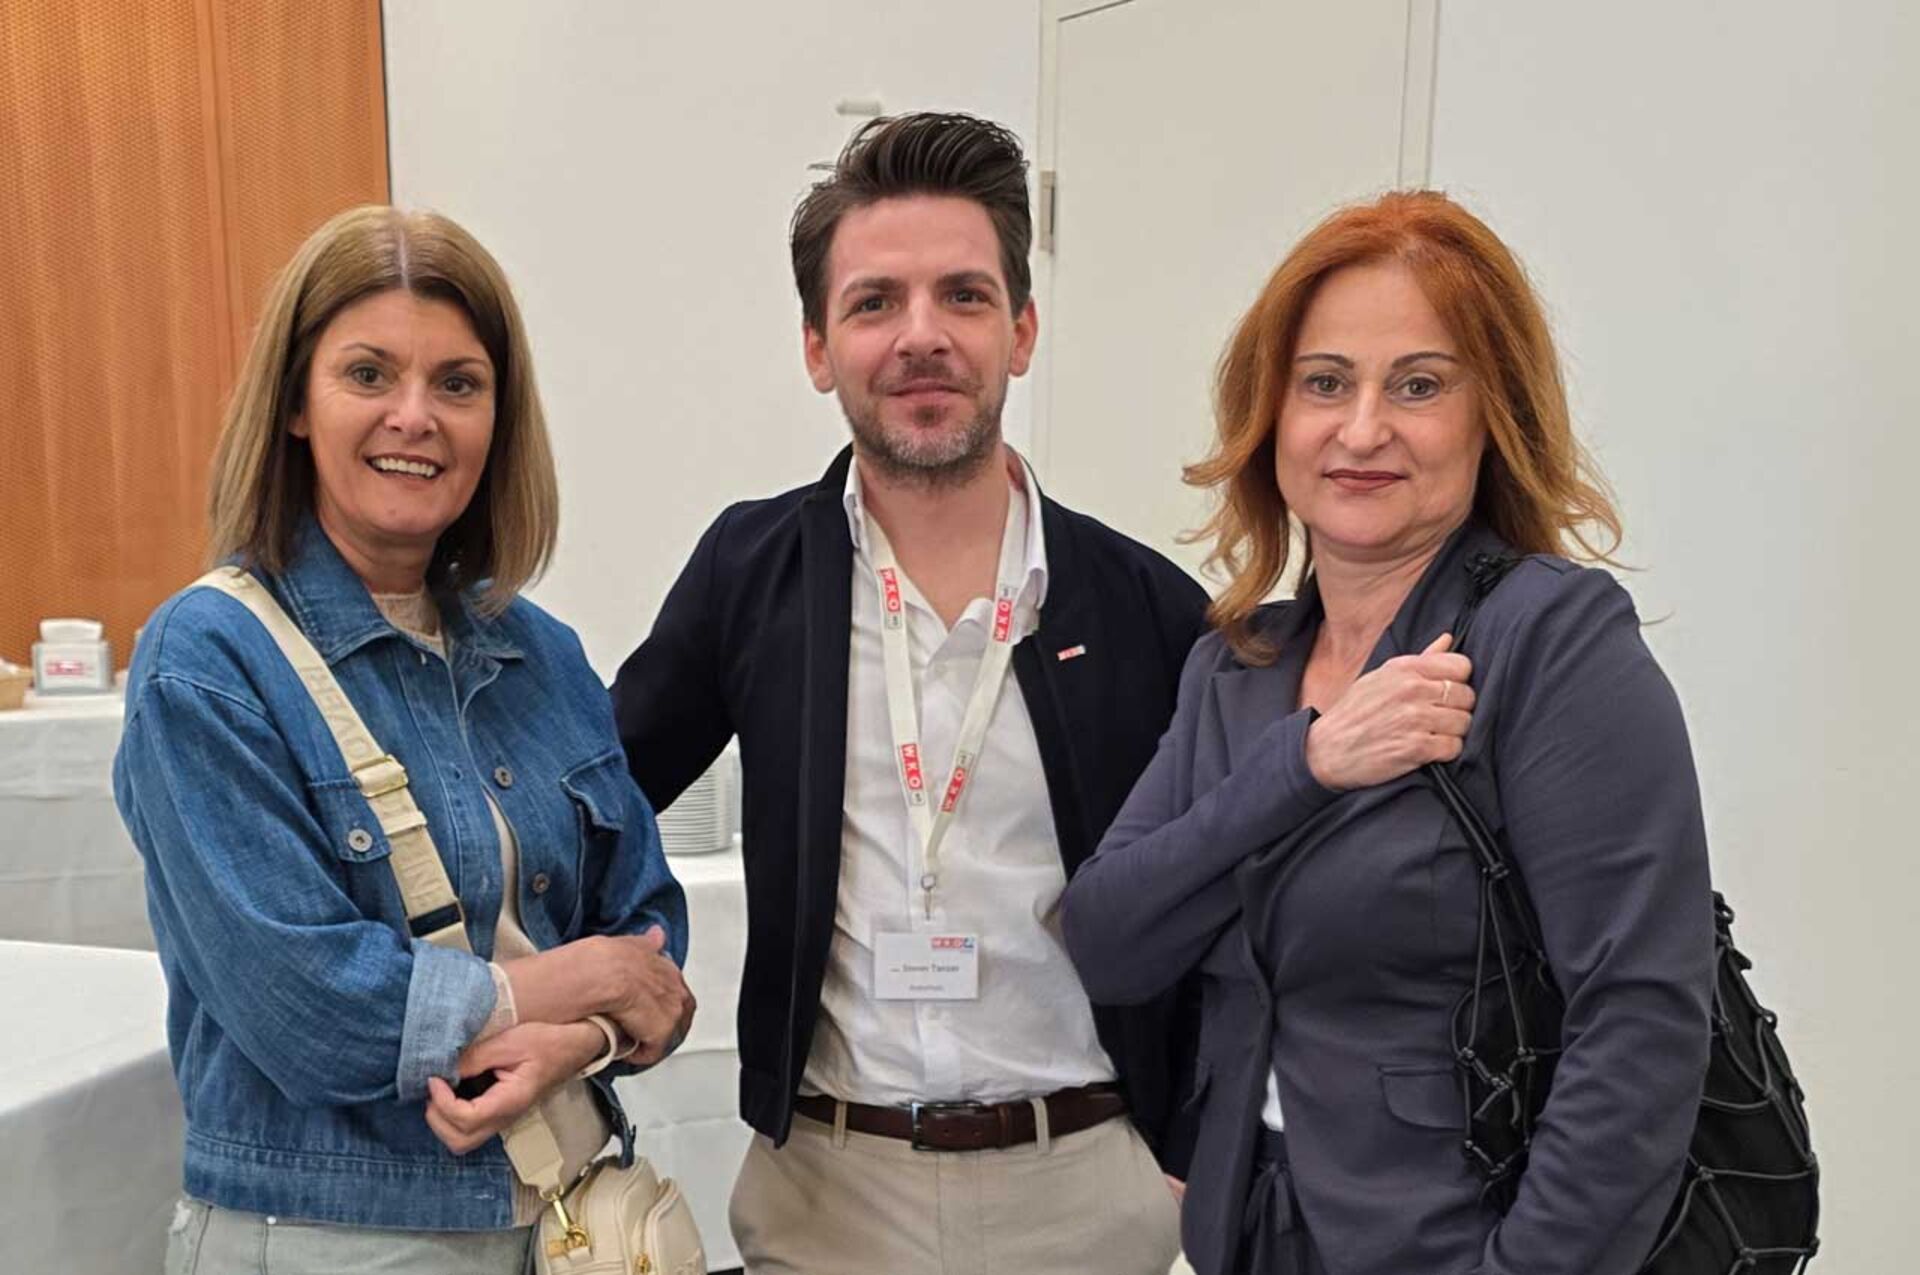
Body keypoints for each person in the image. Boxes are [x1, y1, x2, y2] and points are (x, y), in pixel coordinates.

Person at [1059, 191, 1716, 1275]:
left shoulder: (1548, 642)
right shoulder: (1238, 666)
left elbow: (1641, 1022)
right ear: (1272, 415)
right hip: (1248, 1234)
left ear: (1491, 414)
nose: (1362, 430)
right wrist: (1306, 764)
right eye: (1325, 383)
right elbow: (1109, 941)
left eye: (1419, 385)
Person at [611, 112, 1207, 1275]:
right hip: (830, 1193)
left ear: (1021, 332)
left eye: (964, 297)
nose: (920, 336)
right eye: (875, 302)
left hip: (1086, 1185)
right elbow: (596, 796)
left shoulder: (1146, 608)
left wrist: (1194, 1143)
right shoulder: (752, 575)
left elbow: (1227, 896)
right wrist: (598, 977)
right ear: (817, 348)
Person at [114, 206, 694, 1273]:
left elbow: (650, 934)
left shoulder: (542, 653)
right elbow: (309, 1009)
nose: (415, 417)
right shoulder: (205, 661)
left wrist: (583, 1037)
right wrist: (573, 983)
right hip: (333, 1237)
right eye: (368, 374)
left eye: (458, 384)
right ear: (296, 403)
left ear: (498, 420)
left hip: (562, 1218)